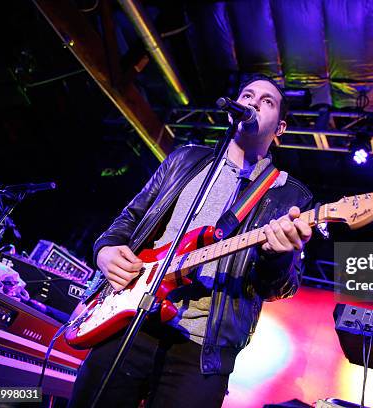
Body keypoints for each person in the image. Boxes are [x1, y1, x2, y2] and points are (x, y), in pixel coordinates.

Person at [68, 74, 313, 408]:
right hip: (131, 318)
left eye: (266, 101)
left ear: (280, 129)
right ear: (233, 109)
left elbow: (281, 286)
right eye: (248, 95)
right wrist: (105, 250)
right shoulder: (186, 159)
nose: (254, 102)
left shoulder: (289, 196)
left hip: (201, 351)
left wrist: (277, 256)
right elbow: (129, 218)